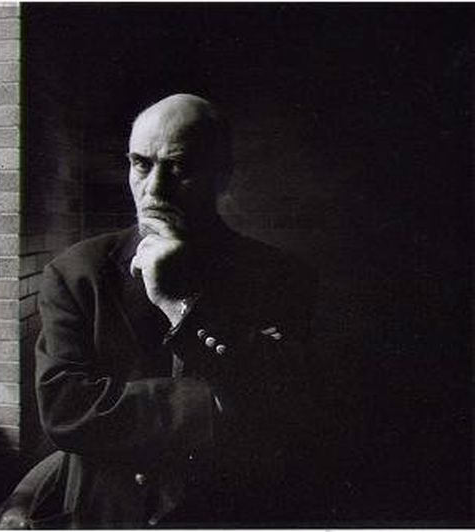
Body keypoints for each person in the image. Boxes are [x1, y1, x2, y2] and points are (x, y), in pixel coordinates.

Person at [22, 94, 323, 528]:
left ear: (221, 176)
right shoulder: (76, 273)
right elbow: (65, 411)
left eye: (179, 167)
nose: (154, 189)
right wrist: (213, 403)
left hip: (226, 514)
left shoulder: (280, 275)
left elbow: (285, 406)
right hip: (107, 515)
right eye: (141, 164)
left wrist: (178, 302)